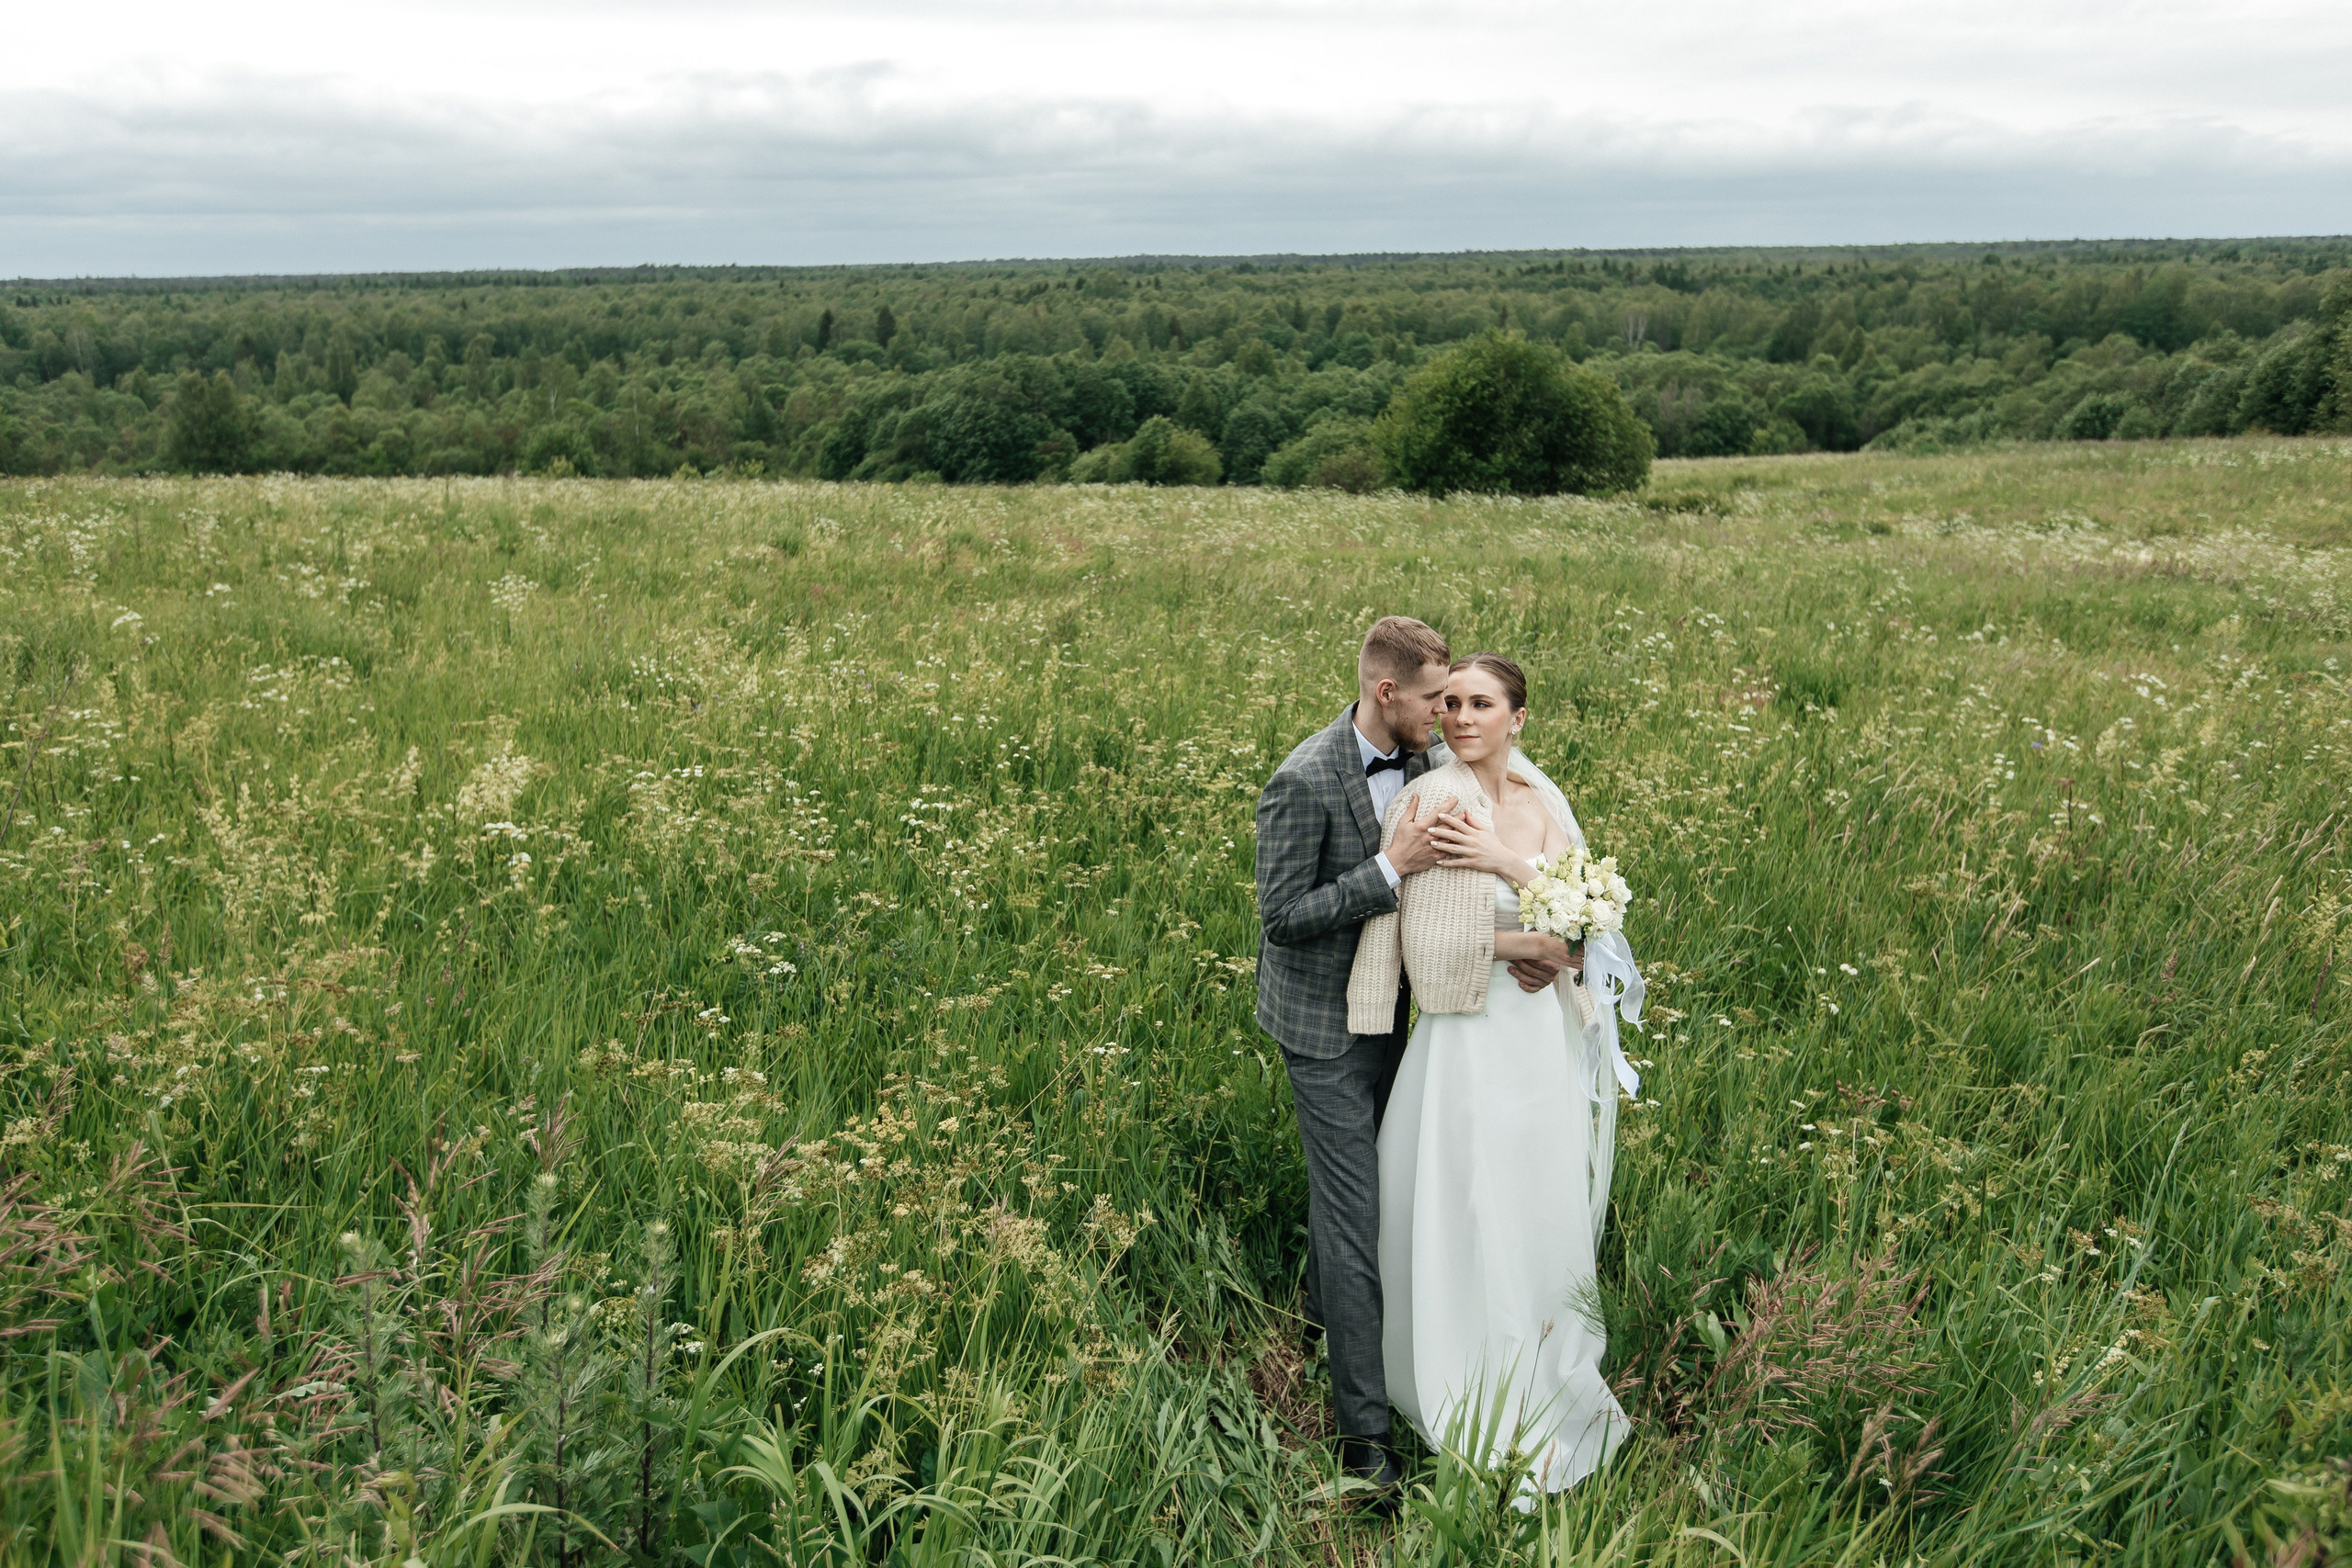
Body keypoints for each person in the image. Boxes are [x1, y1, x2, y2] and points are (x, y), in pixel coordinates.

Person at [1346, 653, 1642, 1499]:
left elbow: (1589, 915)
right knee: (1466, 1193)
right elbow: (1424, 939)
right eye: (1450, 704)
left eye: (1481, 704)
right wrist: (1530, 943)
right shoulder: (1434, 799)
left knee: (1532, 1193)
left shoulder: (1541, 803)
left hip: (1535, 1039)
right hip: (1466, 1032)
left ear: (1519, 717)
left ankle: (1544, 1356)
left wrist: (1538, 908)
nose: (1460, 717)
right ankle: (1461, 1369)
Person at [1252, 616, 1456, 1508]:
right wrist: (1385, 868)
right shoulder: (1300, 781)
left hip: (1397, 1014)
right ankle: (1363, 1436)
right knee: (1352, 1214)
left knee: (1372, 1189)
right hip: (1323, 1030)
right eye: (1430, 700)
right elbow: (1282, 916)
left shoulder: (1421, 764)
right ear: (1385, 694)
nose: (1443, 715)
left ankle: (1331, 1315)